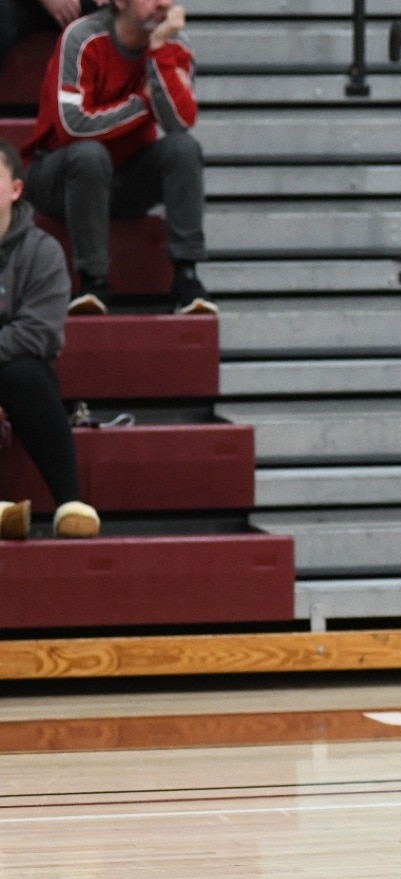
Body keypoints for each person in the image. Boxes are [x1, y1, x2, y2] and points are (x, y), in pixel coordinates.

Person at [23, 0, 214, 316]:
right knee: (89, 155)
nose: (164, 4)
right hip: (57, 174)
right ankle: (93, 281)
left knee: (183, 149)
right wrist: (140, 104)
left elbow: (179, 121)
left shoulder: (173, 42)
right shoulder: (82, 37)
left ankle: (187, 277)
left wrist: (159, 52)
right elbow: (73, 127)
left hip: (123, 177)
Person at [0, 138, 98, 541]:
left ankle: (69, 503)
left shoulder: (42, 251)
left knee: (25, 374)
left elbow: (39, 333)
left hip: (15, 372)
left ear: (15, 189)